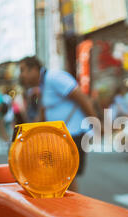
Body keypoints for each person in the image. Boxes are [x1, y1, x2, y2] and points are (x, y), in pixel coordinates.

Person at [19, 56, 99, 193]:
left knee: (66, 176)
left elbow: (82, 98)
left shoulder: (54, 78)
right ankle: (69, 208)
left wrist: (96, 123)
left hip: (73, 133)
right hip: (60, 136)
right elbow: (45, 111)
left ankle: (72, 209)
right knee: (61, 176)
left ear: (34, 69)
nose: (21, 75)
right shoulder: (43, 84)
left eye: (23, 70)